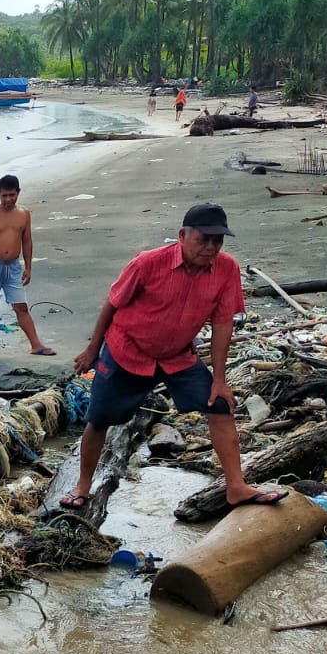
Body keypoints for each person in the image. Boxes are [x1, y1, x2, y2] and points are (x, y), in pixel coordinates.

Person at [61, 204, 286, 512]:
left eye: (217, 240)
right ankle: (82, 485)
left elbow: (223, 323)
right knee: (99, 418)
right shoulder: (147, 263)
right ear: (182, 235)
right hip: (127, 351)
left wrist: (220, 380)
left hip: (177, 356)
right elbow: (113, 304)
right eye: (203, 239)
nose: (211, 247)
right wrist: (92, 349)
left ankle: (236, 487)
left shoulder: (226, 269)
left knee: (220, 405)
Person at [0, 174, 54, 357]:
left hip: (13, 267)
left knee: (21, 307)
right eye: (4, 196)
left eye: (12, 195)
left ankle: (36, 345)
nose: (8, 199)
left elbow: (27, 241)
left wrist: (28, 268)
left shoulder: (24, 214)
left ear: (18, 193)